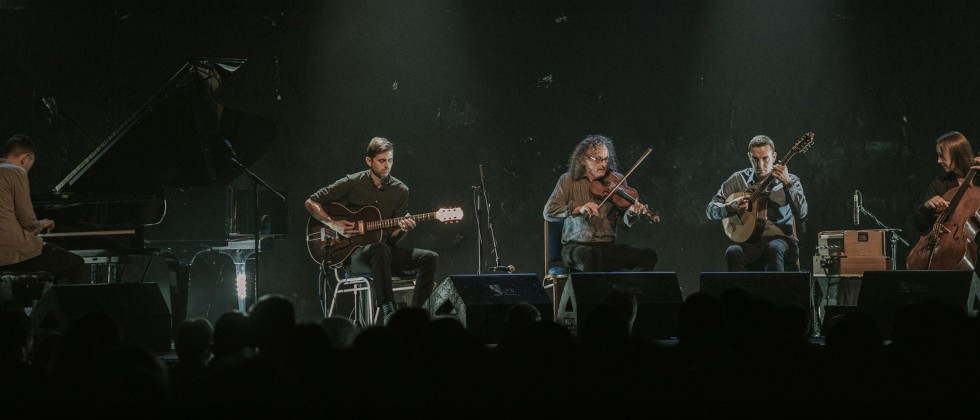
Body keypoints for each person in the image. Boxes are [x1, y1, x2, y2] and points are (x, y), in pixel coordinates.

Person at [304, 137, 439, 320]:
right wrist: (333, 224)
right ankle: (388, 308)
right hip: (355, 256)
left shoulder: (401, 191)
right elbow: (311, 202)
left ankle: (416, 316)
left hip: (385, 253)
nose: (387, 165)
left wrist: (404, 228)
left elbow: (392, 239)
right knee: (379, 249)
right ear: (369, 161)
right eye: (382, 161)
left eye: (390, 160)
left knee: (429, 257)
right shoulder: (352, 182)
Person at [543, 134, 657, 272]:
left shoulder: (617, 181)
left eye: (606, 159)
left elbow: (622, 224)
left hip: (607, 247)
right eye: (598, 159)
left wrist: (631, 213)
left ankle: (628, 292)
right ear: (583, 160)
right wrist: (579, 209)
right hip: (575, 248)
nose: (604, 164)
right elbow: (549, 211)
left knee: (648, 255)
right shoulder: (568, 180)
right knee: (592, 255)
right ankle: (590, 294)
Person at [706, 134, 807, 271]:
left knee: (773, 249)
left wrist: (788, 184)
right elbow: (710, 209)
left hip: (782, 241)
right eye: (755, 160)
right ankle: (737, 293)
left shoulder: (791, 180)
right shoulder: (738, 179)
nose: (760, 165)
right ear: (749, 157)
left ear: (774, 156)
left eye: (765, 159)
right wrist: (729, 207)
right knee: (733, 252)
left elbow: (802, 212)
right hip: (751, 242)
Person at [0, 134, 84, 283]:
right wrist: (41, 225)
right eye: (28, 166)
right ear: (24, 159)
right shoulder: (16, 171)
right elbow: (27, 221)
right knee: (74, 263)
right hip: (9, 252)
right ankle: (55, 306)